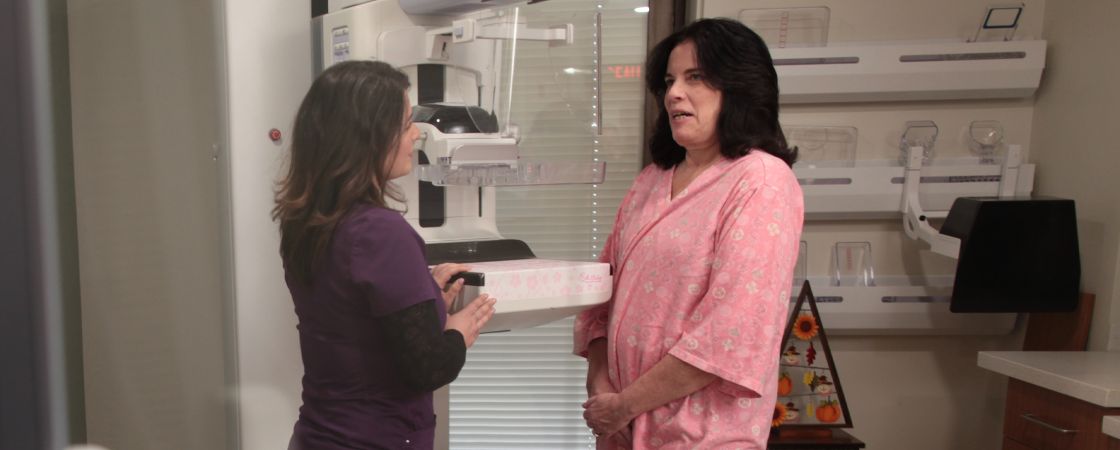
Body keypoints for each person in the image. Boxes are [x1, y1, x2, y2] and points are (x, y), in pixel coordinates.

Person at [574, 18, 804, 449]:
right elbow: (600, 298)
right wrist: (602, 391)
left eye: (695, 77)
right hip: (622, 429)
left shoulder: (760, 181)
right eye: (669, 81)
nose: (674, 93)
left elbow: (729, 333)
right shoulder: (651, 180)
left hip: (702, 436)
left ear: (739, 86)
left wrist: (625, 405)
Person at [273, 60, 497, 450]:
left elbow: (353, 323)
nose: (416, 135)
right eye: (406, 122)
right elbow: (427, 367)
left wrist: (429, 304)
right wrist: (460, 329)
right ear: (370, 135)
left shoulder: (305, 220)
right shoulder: (381, 233)